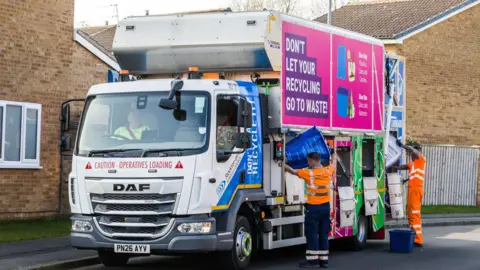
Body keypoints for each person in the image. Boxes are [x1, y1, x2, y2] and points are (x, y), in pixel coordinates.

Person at [285, 152, 335, 268]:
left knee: (312, 233)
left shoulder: (309, 173)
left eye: (308, 161)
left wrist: (282, 164)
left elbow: (292, 171)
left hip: (313, 208)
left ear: (313, 161)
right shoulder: (328, 170)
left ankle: (313, 261)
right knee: (323, 234)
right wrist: (333, 153)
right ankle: (324, 261)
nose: (308, 163)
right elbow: (334, 164)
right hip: (325, 207)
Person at [393, 140, 426, 247]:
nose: (411, 155)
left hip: (416, 190)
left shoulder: (420, 159)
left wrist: (402, 145)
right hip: (412, 190)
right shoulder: (413, 163)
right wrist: (395, 167)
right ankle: (414, 237)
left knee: (415, 214)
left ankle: (418, 239)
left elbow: (413, 150)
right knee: (411, 215)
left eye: (412, 154)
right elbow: (404, 167)